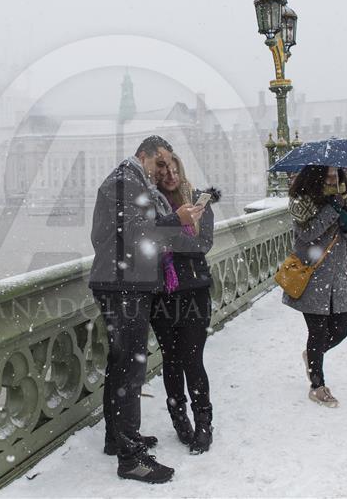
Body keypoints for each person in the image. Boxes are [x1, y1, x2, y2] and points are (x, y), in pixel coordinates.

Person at [89, 135, 204, 483]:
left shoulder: (128, 179)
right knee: (130, 370)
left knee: (120, 364)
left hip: (119, 281)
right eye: (159, 163)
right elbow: (138, 232)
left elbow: (115, 235)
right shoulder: (127, 179)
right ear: (144, 156)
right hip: (124, 285)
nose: (163, 171)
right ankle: (132, 458)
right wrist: (177, 218)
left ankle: (117, 438)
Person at [150, 153, 218, 455]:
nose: (170, 174)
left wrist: (177, 229)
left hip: (194, 291)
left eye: (174, 168)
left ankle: (204, 421)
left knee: (192, 359)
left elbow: (201, 246)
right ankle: (180, 420)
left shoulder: (198, 202)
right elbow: (146, 244)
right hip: (161, 295)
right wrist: (176, 225)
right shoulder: (149, 205)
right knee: (172, 361)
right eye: (163, 168)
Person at [285, 165, 347, 407]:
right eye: (329, 174)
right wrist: (331, 210)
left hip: (337, 279)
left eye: (337, 174)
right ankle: (317, 386)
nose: (334, 178)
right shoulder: (303, 203)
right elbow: (307, 234)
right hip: (313, 277)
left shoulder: (346, 200)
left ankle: (312, 356)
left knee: (341, 330)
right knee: (317, 332)